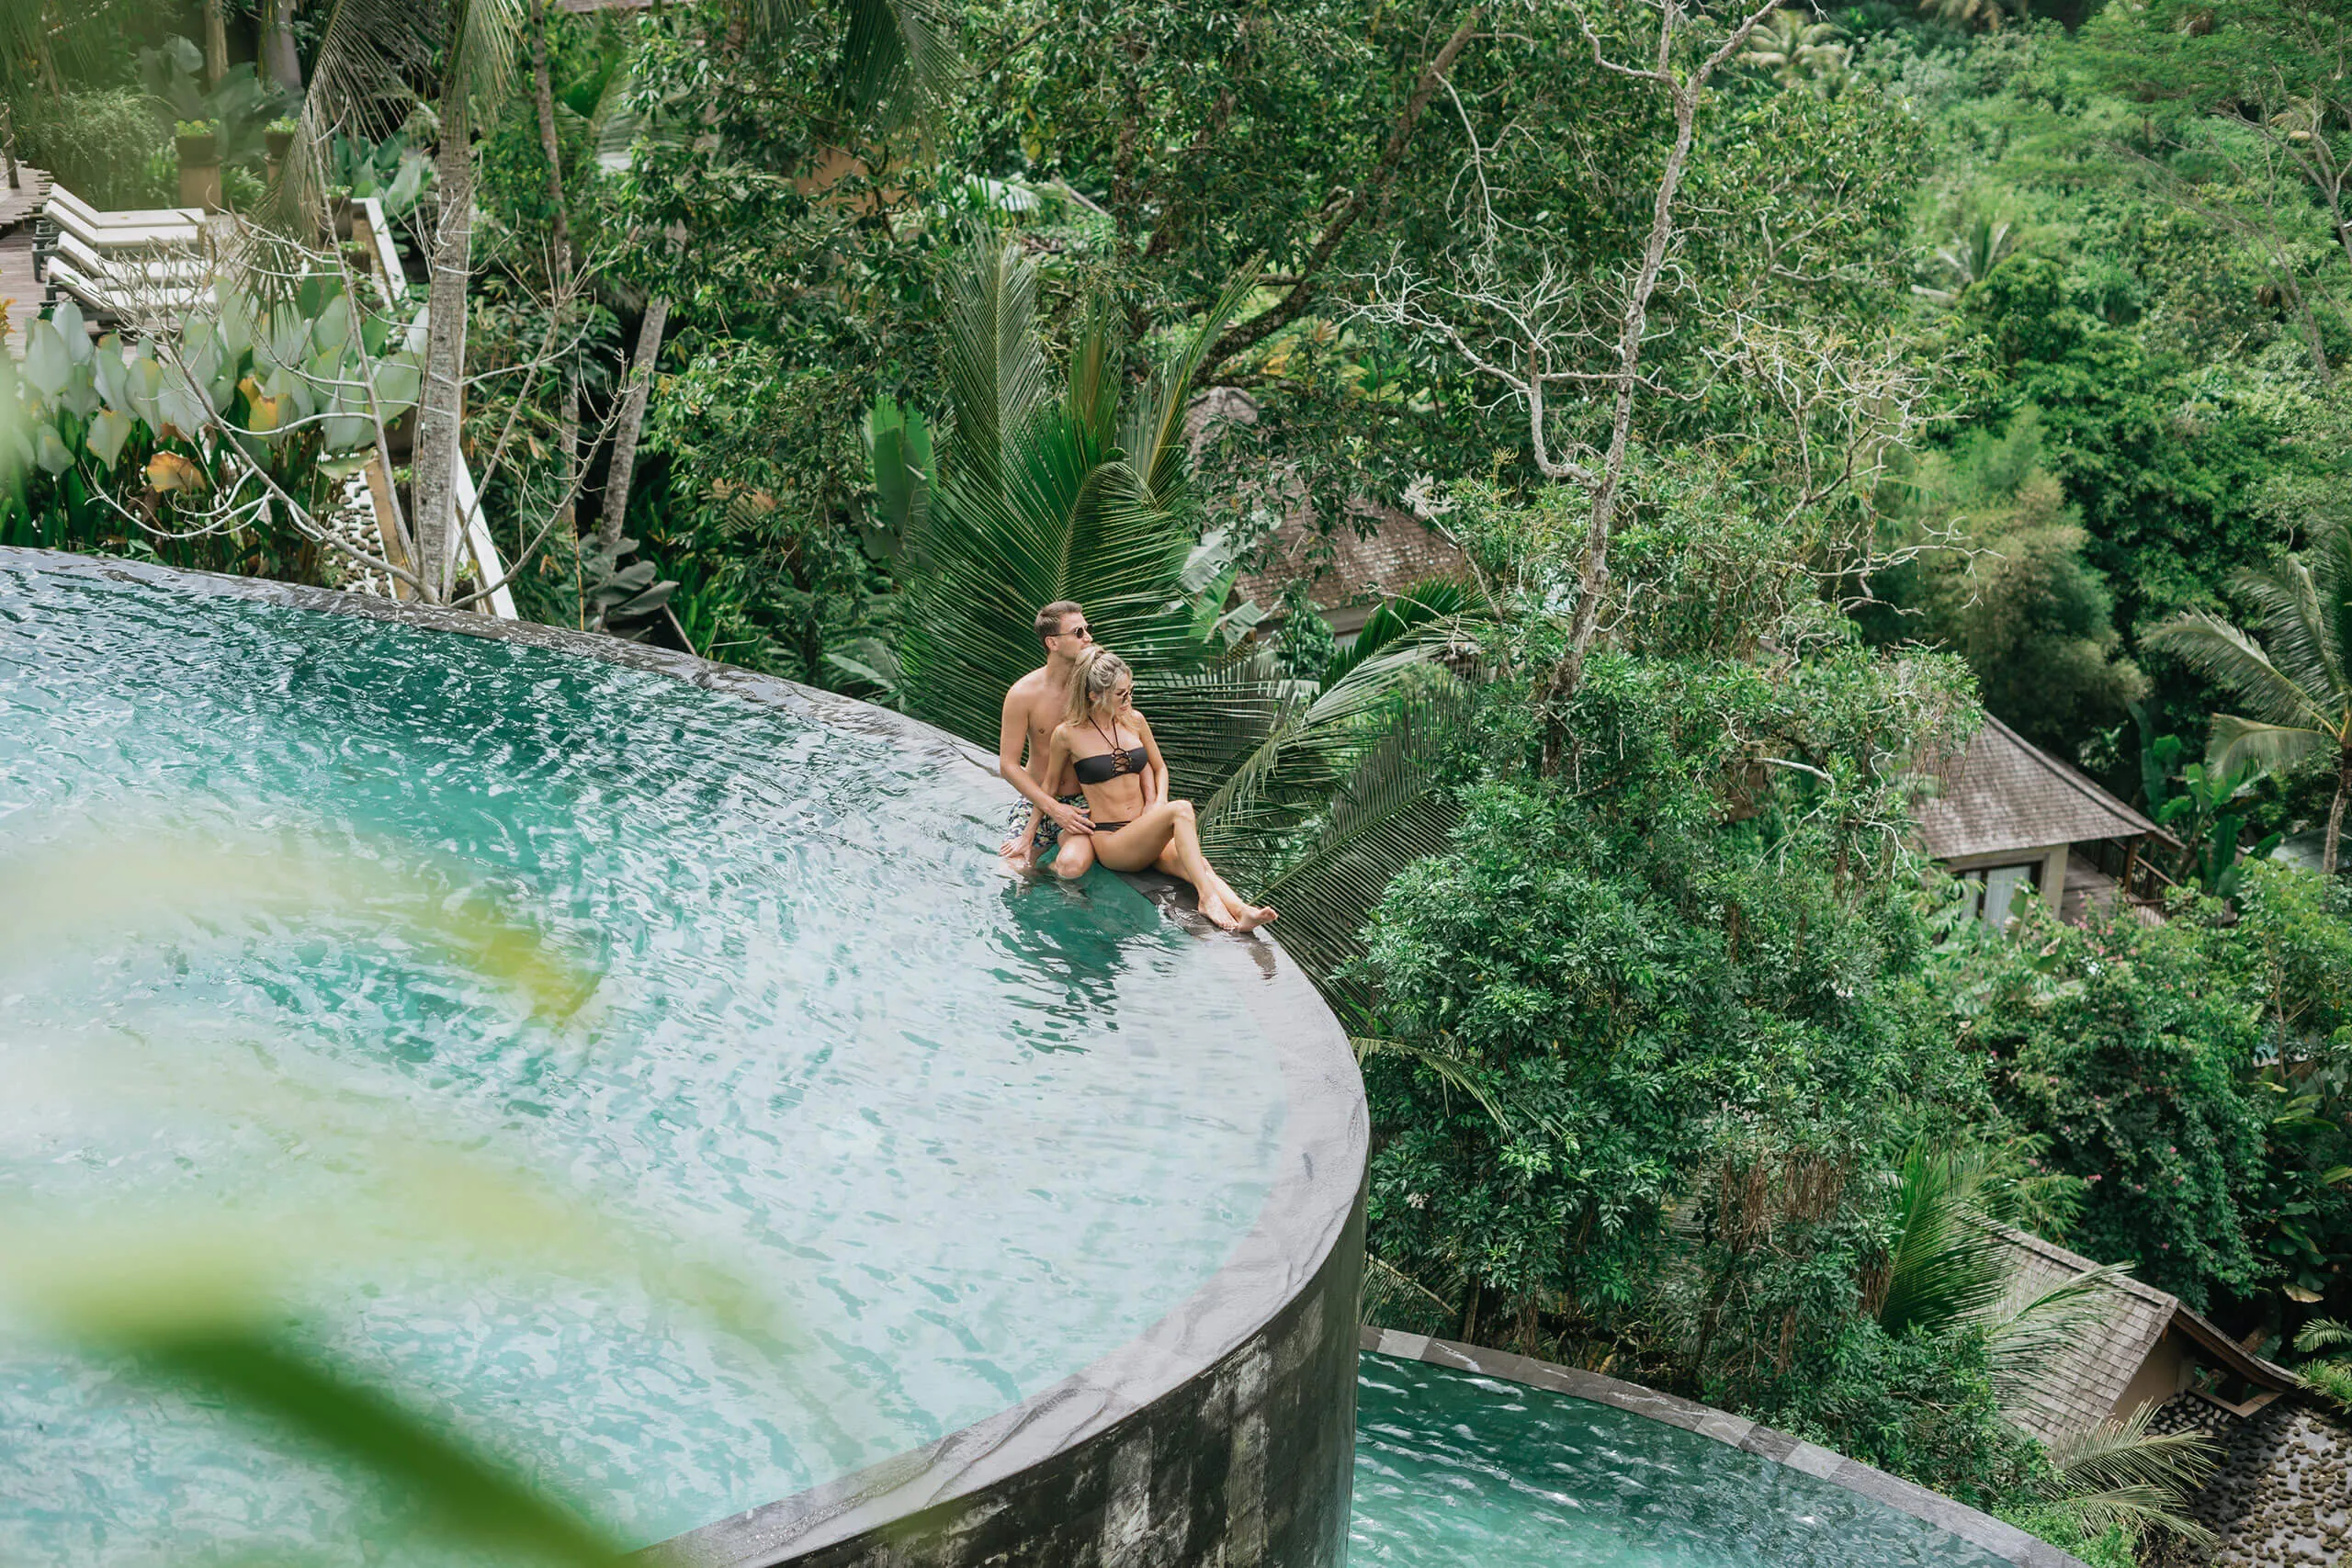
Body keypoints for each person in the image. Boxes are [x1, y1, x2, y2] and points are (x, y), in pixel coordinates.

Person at [1031, 647, 1275, 933]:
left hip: (1144, 829)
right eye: (1121, 694)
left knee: (1199, 865)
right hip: (1113, 840)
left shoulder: (1135, 720)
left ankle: (1243, 911)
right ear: (1095, 695)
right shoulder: (1067, 734)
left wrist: (1157, 803)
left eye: (1130, 689)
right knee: (1182, 809)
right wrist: (1028, 836)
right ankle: (1207, 900)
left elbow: (1160, 768)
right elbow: (1048, 787)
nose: (1129, 698)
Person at [997, 601, 1096, 872]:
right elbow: (1008, 766)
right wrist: (1053, 808)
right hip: (1038, 799)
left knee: (1072, 866)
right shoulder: (1023, 694)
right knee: (1013, 868)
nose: (1088, 637)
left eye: (1088, 629)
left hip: (1083, 802)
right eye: (1078, 632)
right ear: (1052, 643)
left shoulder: (1095, 690)